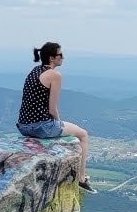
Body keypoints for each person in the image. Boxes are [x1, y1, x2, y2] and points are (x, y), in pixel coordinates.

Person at [16, 41, 97, 194]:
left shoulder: (35, 71)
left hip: (24, 126)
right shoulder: (55, 75)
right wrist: (57, 124)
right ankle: (81, 178)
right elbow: (52, 108)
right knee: (83, 135)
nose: (63, 57)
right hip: (41, 127)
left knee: (76, 131)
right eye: (60, 55)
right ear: (52, 58)